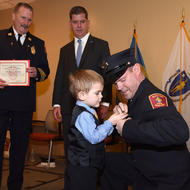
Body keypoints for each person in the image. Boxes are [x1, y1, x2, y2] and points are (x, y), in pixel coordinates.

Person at [101, 48, 190, 190]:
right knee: (106, 162)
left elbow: (180, 131)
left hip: (167, 176)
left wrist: (127, 127)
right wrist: (120, 120)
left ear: (136, 69)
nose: (119, 87)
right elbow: (145, 125)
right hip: (146, 164)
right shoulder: (136, 96)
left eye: (122, 80)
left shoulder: (152, 97)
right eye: (115, 83)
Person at [0, 2, 50, 190]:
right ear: (13, 16)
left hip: (24, 106)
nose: (26, 22)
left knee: (19, 152)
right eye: (23, 18)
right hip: (1, 102)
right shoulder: (0, 37)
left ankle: (15, 187)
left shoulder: (37, 43)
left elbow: (46, 70)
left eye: (29, 19)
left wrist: (36, 72)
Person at [52, 6, 112, 156]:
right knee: (70, 146)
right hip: (68, 106)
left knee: (91, 146)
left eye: (82, 21)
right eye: (75, 22)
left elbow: (107, 75)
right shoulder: (64, 50)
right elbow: (60, 76)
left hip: (93, 105)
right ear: (70, 24)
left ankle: (92, 178)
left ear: (88, 22)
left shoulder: (101, 45)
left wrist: (105, 102)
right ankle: (72, 178)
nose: (78, 26)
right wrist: (56, 103)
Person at [64, 69, 126, 190]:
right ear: (82, 95)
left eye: (101, 93)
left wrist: (112, 123)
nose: (101, 96)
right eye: (97, 93)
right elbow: (94, 137)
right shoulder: (83, 115)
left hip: (88, 164)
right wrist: (109, 122)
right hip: (82, 166)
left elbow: (99, 131)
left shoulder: (89, 111)